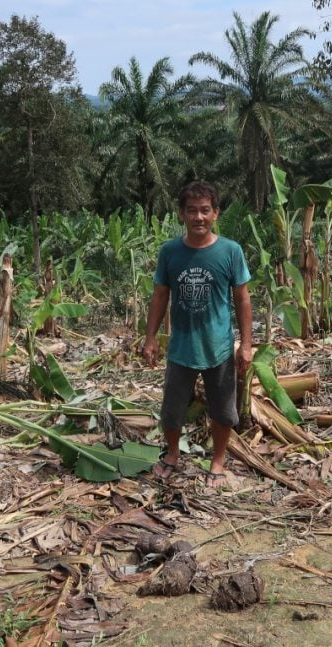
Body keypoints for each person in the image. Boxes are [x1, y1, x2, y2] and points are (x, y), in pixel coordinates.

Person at [140, 181, 253, 488]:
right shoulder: (170, 252)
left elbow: (242, 298)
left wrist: (246, 344)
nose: (199, 217)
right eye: (192, 211)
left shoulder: (230, 251)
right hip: (182, 347)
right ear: (181, 214)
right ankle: (173, 454)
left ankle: (217, 461)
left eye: (205, 210)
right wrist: (150, 338)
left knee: (222, 410)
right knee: (172, 410)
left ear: (215, 214)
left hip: (218, 347)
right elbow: (160, 295)